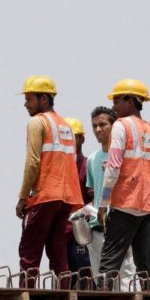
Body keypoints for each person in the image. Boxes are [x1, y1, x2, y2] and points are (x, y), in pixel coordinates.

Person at [15, 75, 83, 288]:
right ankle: (66, 294)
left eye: (29, 99)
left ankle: (26, 293)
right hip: (65, 198)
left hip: (44, 196)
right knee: (57, 250)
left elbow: (33, 163)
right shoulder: (66, 126)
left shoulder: (37, 122)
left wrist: (23, 198)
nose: (25, 104)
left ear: (44, 99)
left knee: (29, 250)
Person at [97, 79, 150, 290]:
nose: (114, 106)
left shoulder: (121, 126)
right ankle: (149, 296)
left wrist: (103, 204)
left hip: (125, 200)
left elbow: (113, 167)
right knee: (144, 261)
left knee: (109, 260)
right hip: (147, 203)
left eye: (117, 100)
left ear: (131, 101)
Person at [85, 107, 135, 290]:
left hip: (119, 226)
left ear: (114, 126)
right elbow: (95, 193)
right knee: (101, 281)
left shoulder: (126, 157)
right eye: (94, 126)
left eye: (102, 125)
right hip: (96, 229)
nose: (98, 130)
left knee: (125, 278)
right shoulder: (92, 159)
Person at [63, 117, 92, 286]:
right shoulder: (60, 169)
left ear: (82, 139)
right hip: (62, 232)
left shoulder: (88, 166)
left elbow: (95, 200)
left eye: (73, 137)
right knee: (64, 277)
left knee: (85, 274)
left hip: (81, 232)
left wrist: (79, 215)